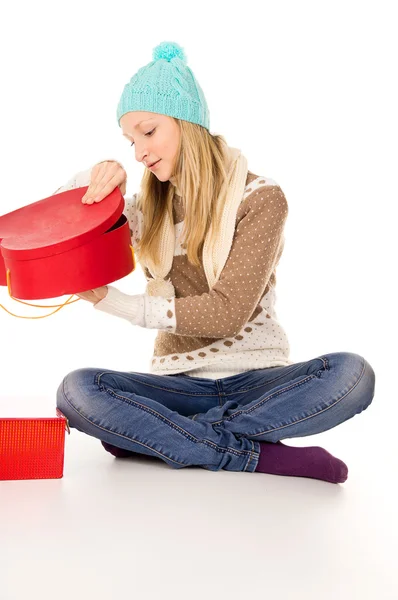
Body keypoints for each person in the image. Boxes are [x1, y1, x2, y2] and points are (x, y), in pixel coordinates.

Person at [55, 41, 376, 483]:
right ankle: (260, 457)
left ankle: (162, 439)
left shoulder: (260, 198)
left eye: (149, 132)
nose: (140, 152)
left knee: (353, 375)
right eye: (130, 141)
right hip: (177, 385)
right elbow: (62, 228)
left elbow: (227, 313)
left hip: (258, 386)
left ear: (189, 124)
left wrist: (118, 303)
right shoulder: (146, 210)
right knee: (77, 392)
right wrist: (100, 178)